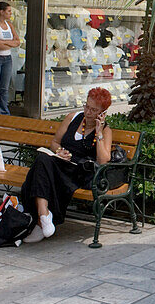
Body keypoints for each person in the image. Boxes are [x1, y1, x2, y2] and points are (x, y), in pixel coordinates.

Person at [19, 87, 116, 242]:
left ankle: (41, 221)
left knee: (43, 170)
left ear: (102, 113)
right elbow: (55, 142)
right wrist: (60, 151)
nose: (88, 112)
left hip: (79, 172)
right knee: (43, 159)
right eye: (87, 106)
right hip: (62, 164)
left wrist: (98, 133)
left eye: (93, 110)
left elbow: (103, 160)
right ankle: (43, 215)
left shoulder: (105, 131)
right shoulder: (73, 118)